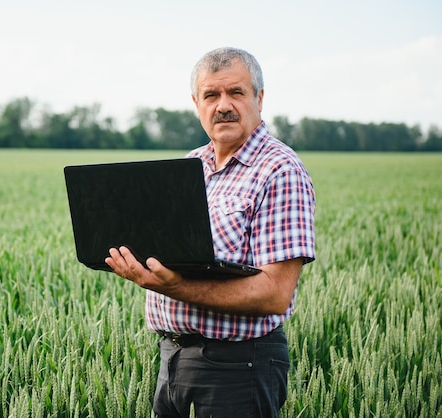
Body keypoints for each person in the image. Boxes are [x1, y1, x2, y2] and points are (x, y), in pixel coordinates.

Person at [105, 47, 316, 417]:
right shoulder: (191, 166)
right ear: (196, 103)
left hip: (236, 367)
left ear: (259, 99)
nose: (223, 105)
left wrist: (173, 287)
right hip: (172, 357)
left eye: (236, 92)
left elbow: (274, 295)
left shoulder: (280, 170)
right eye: (211, 95)